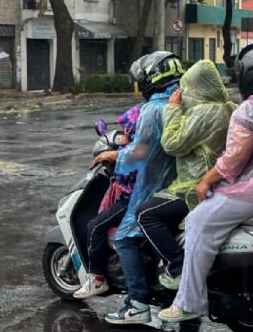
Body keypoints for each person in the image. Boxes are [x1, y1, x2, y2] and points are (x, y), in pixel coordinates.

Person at [158, 44, 253, 323]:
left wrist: (205, 180)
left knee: (197, 222)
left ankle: (188, 302)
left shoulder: (251, 109)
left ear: (245, 76)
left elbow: (233, 160)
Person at [135, 59, 235, 290]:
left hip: (194, 188)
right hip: (220, 185)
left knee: (145, 215)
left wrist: (172, 109)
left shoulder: (204, 112)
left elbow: (171, 144)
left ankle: (176, 266)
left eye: (188, 88)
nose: (186, 94)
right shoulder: (229, 107)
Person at [101, 52, 184, 325]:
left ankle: (137, 304)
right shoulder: (184, 101)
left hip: (155, 188)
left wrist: (113, 156)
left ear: (151, 79)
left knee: (125, 239)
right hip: (183, 184)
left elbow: (139, 152)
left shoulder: (153, 109)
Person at [72, 105, 140, 299]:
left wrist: (108, 155)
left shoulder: (134, 151)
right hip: (143, 196)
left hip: (132, 199)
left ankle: (97, 279)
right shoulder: (143, 144)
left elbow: (129, 156)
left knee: (95, 226)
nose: (125, 132)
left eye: (128, 128)